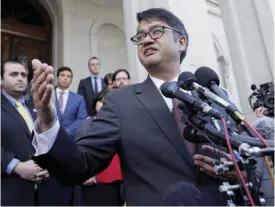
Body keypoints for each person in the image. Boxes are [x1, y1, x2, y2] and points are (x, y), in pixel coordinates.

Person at [31, 8, 255, 205]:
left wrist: (241, 172)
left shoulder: (214, 95)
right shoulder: (120, 102)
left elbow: (245, 160)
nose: (146, 39)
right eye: (140, 36)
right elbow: (79, 165)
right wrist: (48, 121)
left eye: (156, 32)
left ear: (181, 41)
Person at [1, 60, 70, 206]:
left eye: (24, 75)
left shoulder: (38, 106)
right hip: (10, 190)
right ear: (1, 79)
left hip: (46, 192)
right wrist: (15, 166)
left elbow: (52, 140)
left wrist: (49, 165)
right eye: (14, 74)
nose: (20, 78)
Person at [74, 90, 123, 206]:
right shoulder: (84, 124)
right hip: (90, 179)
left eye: (108, 102)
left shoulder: (121, 123)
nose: (104, 104)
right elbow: (78, 150)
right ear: (95, 103)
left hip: (114, 181)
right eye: (101, 101)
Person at [55, 66, 87, 137]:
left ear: (71, 80)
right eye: (62, 75)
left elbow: (82, 119)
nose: (65, 78)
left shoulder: (79, 99)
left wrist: (68, 131)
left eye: (68, 76)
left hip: (71, 137)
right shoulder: (48, 95)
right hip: (49, 137)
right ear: (57, 77)